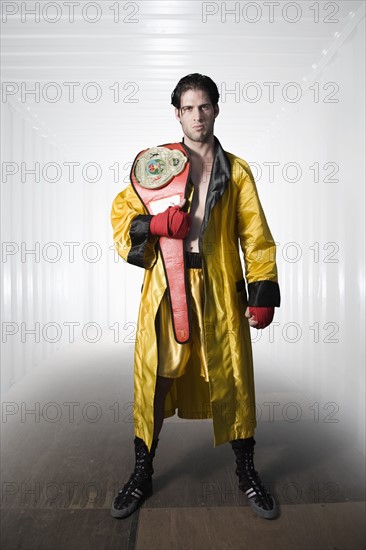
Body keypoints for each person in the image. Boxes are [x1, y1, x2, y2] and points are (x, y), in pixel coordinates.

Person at [110, 73, 281, 520]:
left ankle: (247, 473)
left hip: (221, 291)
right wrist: (153, 226)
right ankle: (142, 472)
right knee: (156, 377)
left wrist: (262, 290)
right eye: (188, 107)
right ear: (177, 113)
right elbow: (122, 214)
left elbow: (256, 237)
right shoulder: (157, 164)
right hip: (167, 288)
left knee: (234, 379)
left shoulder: (237, 171)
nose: (197, 115)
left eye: (204, 106)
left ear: (216, 109)